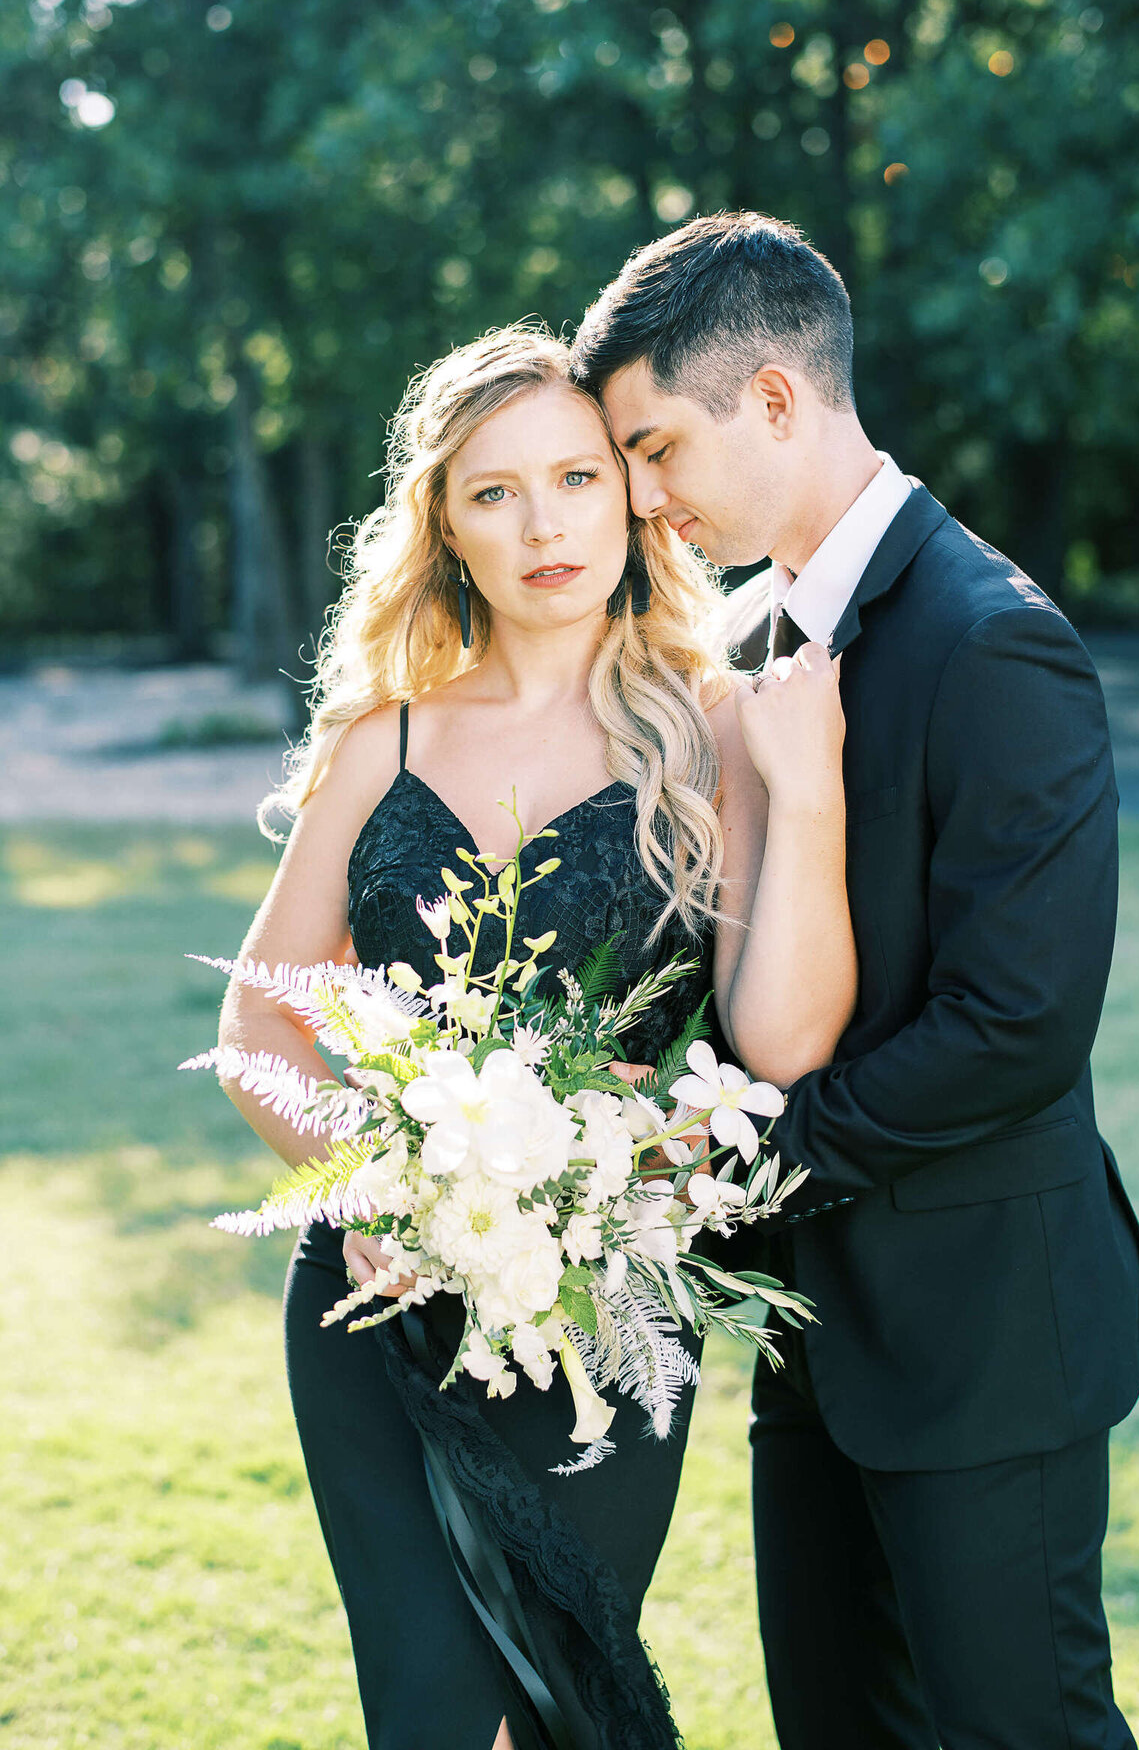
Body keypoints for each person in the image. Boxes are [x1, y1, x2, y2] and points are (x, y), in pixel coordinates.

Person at [215, 325, 856, 1750]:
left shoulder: (716, 732)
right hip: (377, 1307)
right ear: (443, 522)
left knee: (557, 1707)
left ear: (634, 496)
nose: (545, 521)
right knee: (432, 1716)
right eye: (495, 491)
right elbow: (260, 1009)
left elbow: (781, 1040)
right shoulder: (379, 742)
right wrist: (379, 1180)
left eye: (576, 475)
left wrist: (805, 802)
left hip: (604, 1312)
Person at [571, 211, 1139, 1750]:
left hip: (984, 1348)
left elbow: (1018, 1026)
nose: (644, 499)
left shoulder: (993, 642)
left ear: (773, 399)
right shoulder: (757, 638)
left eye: (655, 449)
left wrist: (746, 1158)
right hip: (811, 1349)